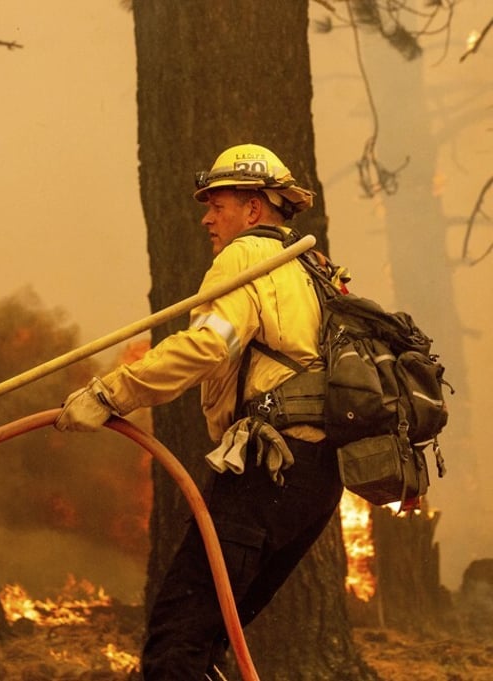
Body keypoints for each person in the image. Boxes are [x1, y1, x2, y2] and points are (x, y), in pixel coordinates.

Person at [54, 143, 345, 680]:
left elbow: (209, 345)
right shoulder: (315, 269)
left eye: (218, 204)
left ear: (253, 209)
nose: (208, 218)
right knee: (206, 642)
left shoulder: (246, 257)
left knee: (176, 646)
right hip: (318, 481)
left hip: (268, 470)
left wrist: (110, 394)